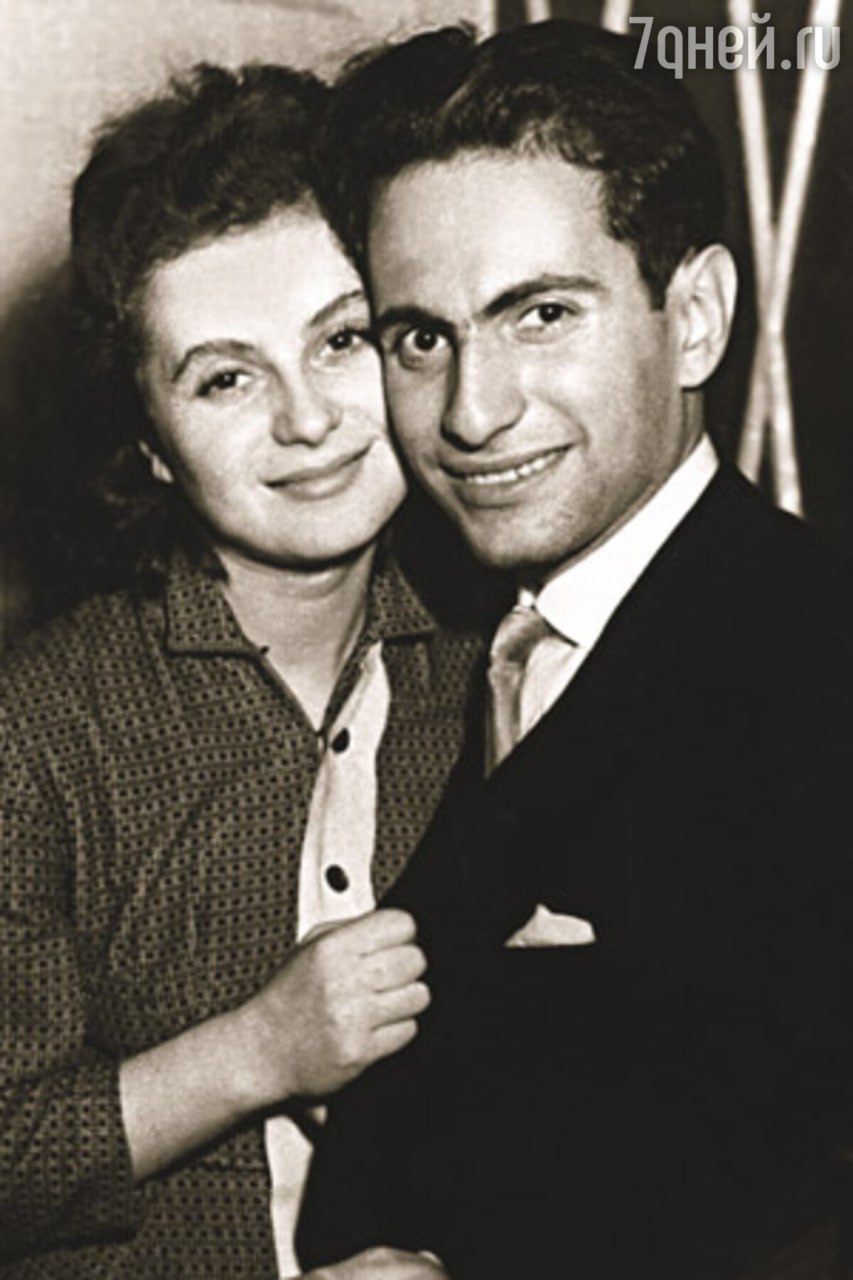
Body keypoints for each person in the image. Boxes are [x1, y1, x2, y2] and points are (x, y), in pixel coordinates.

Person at [297, 20, 853, 1280]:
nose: (472, 411)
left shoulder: (819, 659)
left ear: (694, 317)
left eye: (540, 314)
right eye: (420, 338)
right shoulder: (470, 640)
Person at [0, 63, 481, 1278]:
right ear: (149, 444)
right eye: (225, 376)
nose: (305, 418)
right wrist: (261, 1048)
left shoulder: (500, 663)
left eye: (341, 340)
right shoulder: (38, 725)